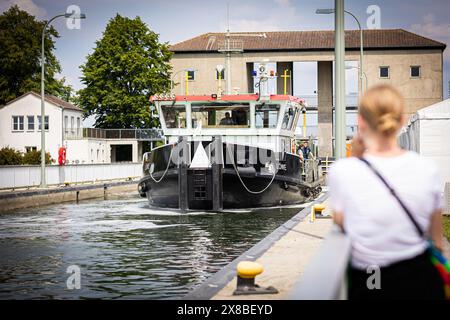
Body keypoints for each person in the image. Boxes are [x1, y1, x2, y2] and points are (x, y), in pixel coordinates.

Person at [328, 84, 445, 300]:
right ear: (401, 121)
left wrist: (356, 155)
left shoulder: (342, 171)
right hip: (420, 278)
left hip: (373, 279)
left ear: (360, 122)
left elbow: (341, 222)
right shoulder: (428, 169)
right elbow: (437, 239)